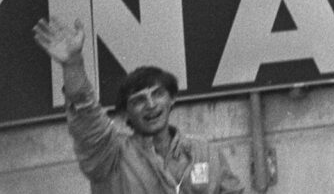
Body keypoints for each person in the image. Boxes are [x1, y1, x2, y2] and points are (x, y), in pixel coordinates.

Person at [31, 14, 245, 192]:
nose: (150, 104)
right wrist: (73, 65)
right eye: (139, 100)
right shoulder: (110, 156)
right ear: (125, 114)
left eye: (157, 94)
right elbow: (87, 118)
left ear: (172, 99)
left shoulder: (203, 151)